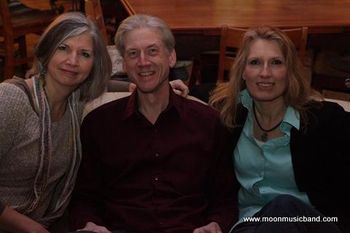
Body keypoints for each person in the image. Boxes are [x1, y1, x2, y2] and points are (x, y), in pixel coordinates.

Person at [0, 12, 188, 233]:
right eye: (63, 48)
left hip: (47, 222)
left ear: (93, 64)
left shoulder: (74, 103)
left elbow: (102, 83)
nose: (72, 61)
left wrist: (151, 81)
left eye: (85, 54)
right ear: (46, 51)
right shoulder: (11, 100)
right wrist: (31, 228)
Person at [69, 14, 237, 233]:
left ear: (171, 57)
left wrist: (216, 224)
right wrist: (90, 224)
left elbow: (226, 198)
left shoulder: (208, 123)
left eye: (152, 51)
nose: (143, 62)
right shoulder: (98, 124)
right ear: (124, 63)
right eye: (133, 54)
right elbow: (84, 198)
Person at [209, 26, 350, 233]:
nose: (265, 73)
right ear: (243, 72)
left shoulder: (325, 120)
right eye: (255, 63)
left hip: (311, 223)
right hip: (249, 225)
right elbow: (189, 105)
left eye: (276, 63)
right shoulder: (230, 114)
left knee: (283, 206)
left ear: (290, 71)